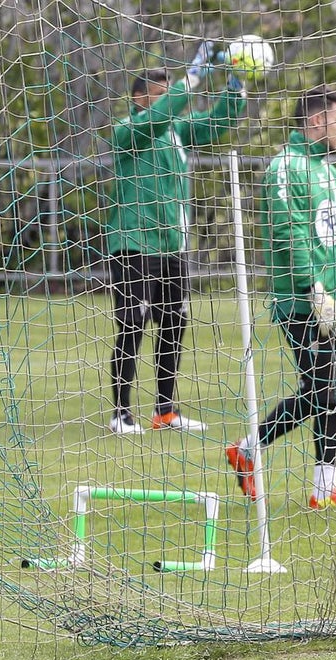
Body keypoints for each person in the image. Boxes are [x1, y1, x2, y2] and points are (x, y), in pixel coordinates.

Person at [226, 85, 336, 510]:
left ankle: (323, 488)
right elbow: (288, 231)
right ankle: (249, 450)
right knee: (322, 390)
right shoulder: (284, 167)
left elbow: (328, 227)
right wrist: (313, 288)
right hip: (302, 300)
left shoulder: (328, 171)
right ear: (316, 121)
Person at [105, 43, 248, 434]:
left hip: (173, 245)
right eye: (160, 92)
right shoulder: (127, 130)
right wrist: (191, 80)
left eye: (170, 90)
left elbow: (217, 123)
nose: (169, 98)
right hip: (134, 242)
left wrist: (235, 85)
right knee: (133, 323)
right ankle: (120, 414)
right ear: (140, 98)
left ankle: (165, 411)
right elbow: (159, 117)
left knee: (174, 322)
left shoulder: (176, 131)